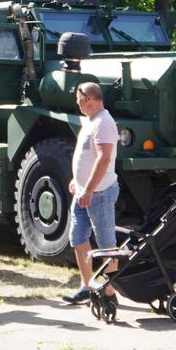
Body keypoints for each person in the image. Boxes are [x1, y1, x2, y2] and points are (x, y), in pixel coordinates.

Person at [62, 82, 120, 306]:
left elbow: (104, 159)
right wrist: (77, 181)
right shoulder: (90, 121)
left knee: (106, 244)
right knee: (77, 237)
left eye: (79, 100)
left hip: (100, 192)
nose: (77, 104)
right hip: (83, 192)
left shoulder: (104, 122)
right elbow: (85, 155)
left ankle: (109, 292)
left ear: (88, 99)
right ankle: (87, 286)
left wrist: (88, 188)